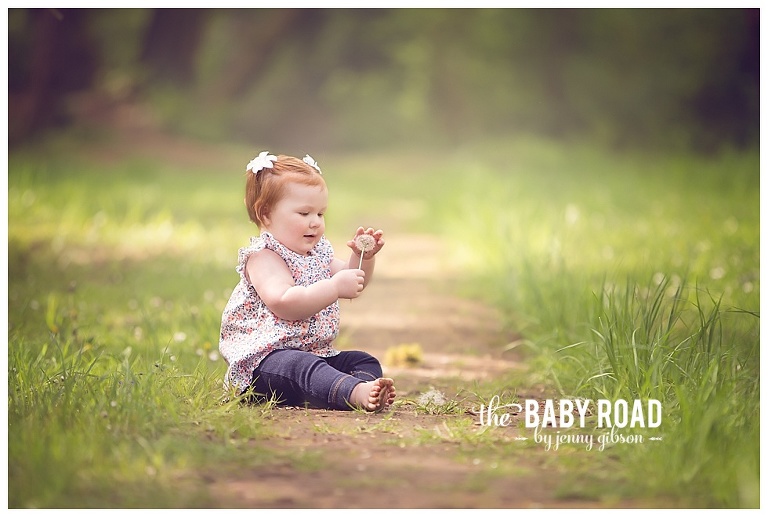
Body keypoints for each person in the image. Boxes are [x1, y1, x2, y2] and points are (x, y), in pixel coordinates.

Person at [219, 151, 396, 412]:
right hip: (266, 365)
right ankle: (352, 392)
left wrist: (362, 258)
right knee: (300, 366)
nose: (315, 223)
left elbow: (352, 279)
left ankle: (356, 388)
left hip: (314, 354)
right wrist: (334, 287)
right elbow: (284, 302)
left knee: (362, 360)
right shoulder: (263, 258)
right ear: (266, 214)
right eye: (304, 213)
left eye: (320, 214)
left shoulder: (316, 254)